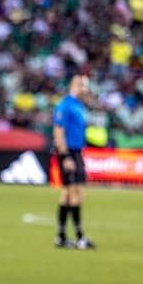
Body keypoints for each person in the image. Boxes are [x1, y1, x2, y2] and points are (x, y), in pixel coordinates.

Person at [53, 75, 96, 249]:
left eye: (86, 86)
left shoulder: (79, 106)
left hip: (77, 151)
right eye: (82, 86)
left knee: (67, 193)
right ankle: (79, 237)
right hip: (69, 152)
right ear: (74, 85)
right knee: (75, 192)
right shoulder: (64, 105)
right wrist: (65, 156)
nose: (85, 89)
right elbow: (58, 131)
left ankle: (62, 236)